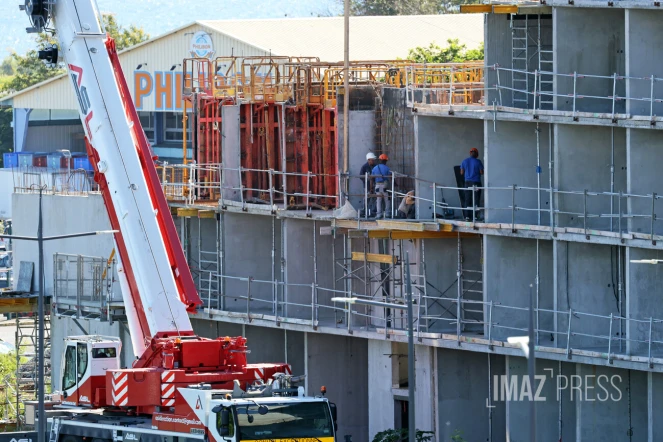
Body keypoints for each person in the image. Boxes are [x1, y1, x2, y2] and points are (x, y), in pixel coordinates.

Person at [460, 147, 484, 221]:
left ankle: (467, 216)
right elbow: (481, 172)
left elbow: (461, 173)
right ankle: (475, 216)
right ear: (476, 154)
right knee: (476, 199)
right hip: (476, 182)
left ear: (470, 153)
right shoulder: (478, 162)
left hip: (467, 183)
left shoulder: (464, 161)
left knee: (467, 199)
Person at [372, 154, 391, 218]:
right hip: (384, 185)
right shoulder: (387, 168)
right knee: (387, 199)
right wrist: (395, 184)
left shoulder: (375, 168)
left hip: (377, 185)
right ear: (385, 161)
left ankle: (379, 214)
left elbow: (372, 177)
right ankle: (387, 213)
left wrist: (371, 187)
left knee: (378, 200)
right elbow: (390, 176)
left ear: (380, 160)